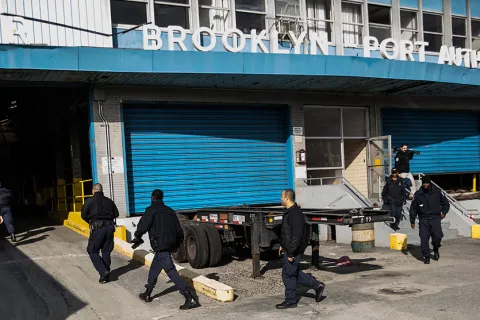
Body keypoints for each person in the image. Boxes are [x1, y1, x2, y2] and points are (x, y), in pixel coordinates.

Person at [131, 189, 199, 310]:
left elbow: (143, 225)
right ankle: (148, 293)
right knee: (155, 267)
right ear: (162, 198)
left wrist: (137, 236)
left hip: (160, 245)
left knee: (171, 271)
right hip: (169, 244)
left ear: (153, 198)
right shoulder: (170, 211)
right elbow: (179, 230)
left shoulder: (150, 210)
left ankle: (189, 297)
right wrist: (178, 244)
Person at [276, 189, 325, 309]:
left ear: (287, 198)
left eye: (282, 197)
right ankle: (317, 286)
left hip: (294, 249)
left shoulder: (295, 214)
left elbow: (297, 236)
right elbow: (287, 233)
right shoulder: (288, 212)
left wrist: (291, 253)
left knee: (288, 274)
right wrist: (283, 245)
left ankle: (291, 301)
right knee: (294, 271)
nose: (281, 199)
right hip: (290, 248)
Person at [81, 183, 119, 283]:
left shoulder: (90, 201)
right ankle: (105, 276)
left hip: (98, 229)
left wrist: (91, 221)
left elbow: (83, 214)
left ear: (93, 190)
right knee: (106, 251)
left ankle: (103, 271)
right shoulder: (109, 201)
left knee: (92, 250)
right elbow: (117, 214)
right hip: (110, 228)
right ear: (102, 190)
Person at [409, 176, 450, 264]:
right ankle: (426, 256)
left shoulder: (437, 192)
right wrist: (412, 220)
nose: (425, 185)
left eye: (427, 183)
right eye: (424, 183)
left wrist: (444, 212)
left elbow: (445, 203)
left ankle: (435, 248)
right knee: (424, 239)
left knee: (437, 237)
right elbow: (413, 208)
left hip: (435, 218)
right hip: (423, 219)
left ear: (430, 183)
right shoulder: (418, 194)